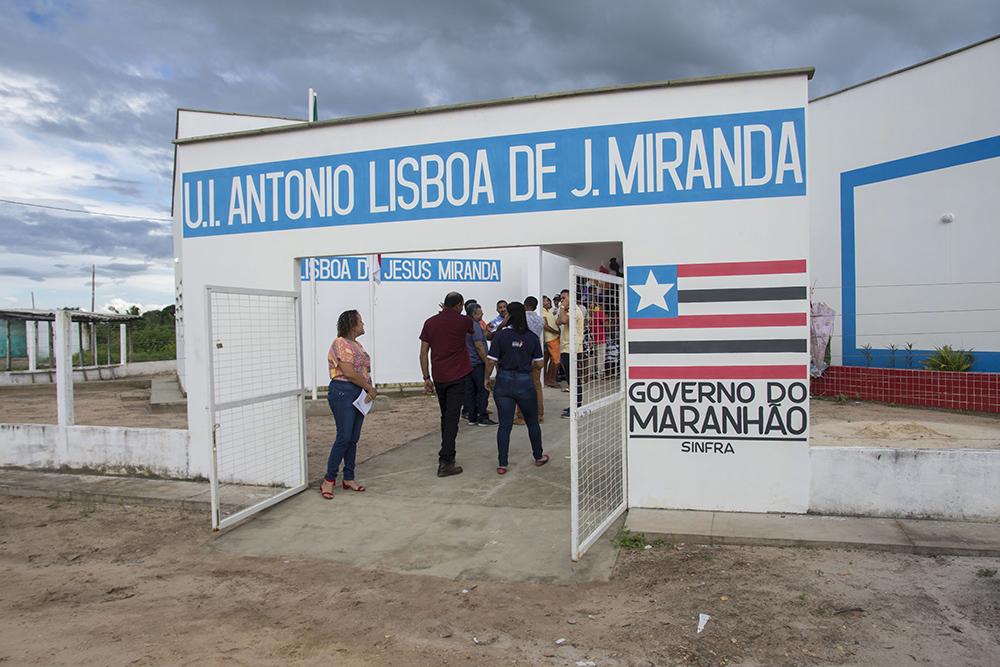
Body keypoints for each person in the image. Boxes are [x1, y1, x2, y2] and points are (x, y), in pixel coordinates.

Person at [484, 302, 549, 474]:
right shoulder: (531, 337)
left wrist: (486, 378)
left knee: (504, 426)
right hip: (524, 382)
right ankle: (538, 456)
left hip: (503, 381)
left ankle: (502, 463)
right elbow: (540, 364)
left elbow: (491, 360)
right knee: (532, 422)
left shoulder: (501, 336)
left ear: (509, 316)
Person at [320, 310, 376, 500]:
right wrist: (369, 388)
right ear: (352, 324)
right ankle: (329, 479)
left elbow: (362, 370)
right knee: (344, 436)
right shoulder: (340, 343)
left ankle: (349, 477)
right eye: (360, 321)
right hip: (343, 391)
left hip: (358, 392)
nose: (363, 324)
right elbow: (349, 372)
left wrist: (368, 388)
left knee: (353, 437)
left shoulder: (357, 345)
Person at [419, 292, 474, 477]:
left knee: (445, 416)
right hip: (458, 376)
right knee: (452, 419)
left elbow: (423, 352)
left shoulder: (430, 322)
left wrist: (426, 377)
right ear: (459, 304)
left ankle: (447, 452)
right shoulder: (463, 321)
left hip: (439, 376)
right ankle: (446, 460)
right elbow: (474, 329)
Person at [463, 302, 496, 426]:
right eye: (480, 312)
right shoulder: (475, 326)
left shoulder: (464, 325)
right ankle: (482, 416)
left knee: (471, 391)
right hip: (477, 363)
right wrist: (486, 361)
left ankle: (472, 417)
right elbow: (479, 346)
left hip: (467, 364)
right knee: (483, 389)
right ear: (474, 313)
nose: (482, 313)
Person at [557, 288, 585, 418]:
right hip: (565, 349)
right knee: (570, 379)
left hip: (573, 350)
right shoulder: (566, 311)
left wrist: (562, 307)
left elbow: (562, 321)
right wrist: (562, 308)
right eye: (561, 298)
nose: (561, 301)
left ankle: (577, 406)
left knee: (574, 380)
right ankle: (574, 404)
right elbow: (558, 321)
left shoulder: (575, 311)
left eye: (564, 298)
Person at [541, 295, 561, 388]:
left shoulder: (549, 311)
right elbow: (545, 326)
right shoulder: (543, 312)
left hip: (553, 338)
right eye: (545, 301)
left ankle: (548, 380)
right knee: (556, 361)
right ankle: (552, 380)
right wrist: (557, 331)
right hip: (551, 338)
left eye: (548, 301)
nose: (548, 302)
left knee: (551, 360)